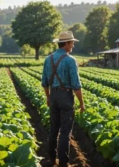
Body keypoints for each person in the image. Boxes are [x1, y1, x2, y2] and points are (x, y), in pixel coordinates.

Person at [41, 31, 85, 167]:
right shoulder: (70, 60)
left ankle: (52, 159)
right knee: (65, 132)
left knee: (54, 129)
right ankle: (64, 163)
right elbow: (76, 86)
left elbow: (44, 83)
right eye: (72, 43)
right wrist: (81, 103)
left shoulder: (48, 59)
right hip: (66, 97)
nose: (73, 45)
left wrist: (49, 98)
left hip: (53, 96)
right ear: (66, 44)